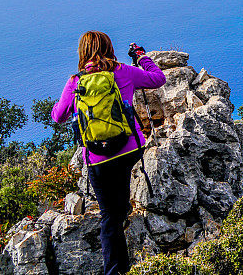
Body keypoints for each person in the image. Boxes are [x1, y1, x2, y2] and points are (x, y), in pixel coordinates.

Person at [52, 30, 166, 275]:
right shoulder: (123, 72)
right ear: (109, 48)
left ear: (83, 53)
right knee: (122, 205)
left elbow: (59, 116)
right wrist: (142, 57)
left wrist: (60, 104)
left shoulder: (76, 81)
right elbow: (158, 79)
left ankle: (115, 271)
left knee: (109, 218)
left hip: (98, 159)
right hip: (130, 151)